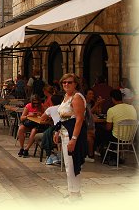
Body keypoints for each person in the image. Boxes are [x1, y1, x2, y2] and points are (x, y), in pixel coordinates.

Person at [53, 73, 87, 201]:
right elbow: (63, 117)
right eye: (64, 82)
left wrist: (74, 139)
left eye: (69, 82)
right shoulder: (66, 96)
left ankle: (74, 194)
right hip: (64, 132)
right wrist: (57, 132)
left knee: (72, 164)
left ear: (76, 84)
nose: (66, 84)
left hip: (72, 134)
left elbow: (79, 119)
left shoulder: (77, 97)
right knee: (68, 164)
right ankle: (74, 192)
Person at [98, 89, 137, 165]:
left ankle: (106, 155)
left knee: (100, 132)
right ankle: (115, 156)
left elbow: (108, 128)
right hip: (130, 136)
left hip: (117, 137)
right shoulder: (132, 108)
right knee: (110, 133)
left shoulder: (111, 110)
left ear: (112, 98)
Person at [36, 94, 63, 165]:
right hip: (64, 130)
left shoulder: (50, 109)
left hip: (56, 131)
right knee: (48, 134)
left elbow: (42, 118)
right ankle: (57, 155)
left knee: (38, 136)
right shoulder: (64, 108)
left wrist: (49, 118)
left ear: (51, 102)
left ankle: (50, 155)